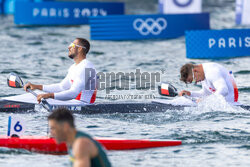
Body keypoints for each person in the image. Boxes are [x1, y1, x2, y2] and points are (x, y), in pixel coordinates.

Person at [24, 38, 97, 104]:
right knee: (36, 94)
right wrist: (36, 86)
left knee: (42, 98)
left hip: (83, 104)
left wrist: (49, 95)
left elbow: (73, 93)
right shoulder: (74, 67)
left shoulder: (86, 67)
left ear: (80, 49)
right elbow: (62, 87)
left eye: (72, 45)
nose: (69, 47)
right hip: (73, 102)